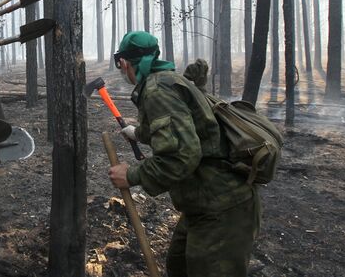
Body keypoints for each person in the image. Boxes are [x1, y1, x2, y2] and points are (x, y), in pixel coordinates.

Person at [107, 31, 261, 277]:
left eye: (120, 64)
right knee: (179, 265)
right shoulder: (167, 80)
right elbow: (182, 127)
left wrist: (133, 175)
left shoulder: (157, 90)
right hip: (204, 203)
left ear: (124, 63)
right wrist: (138, 133)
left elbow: (183, 156)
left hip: (222, 206)